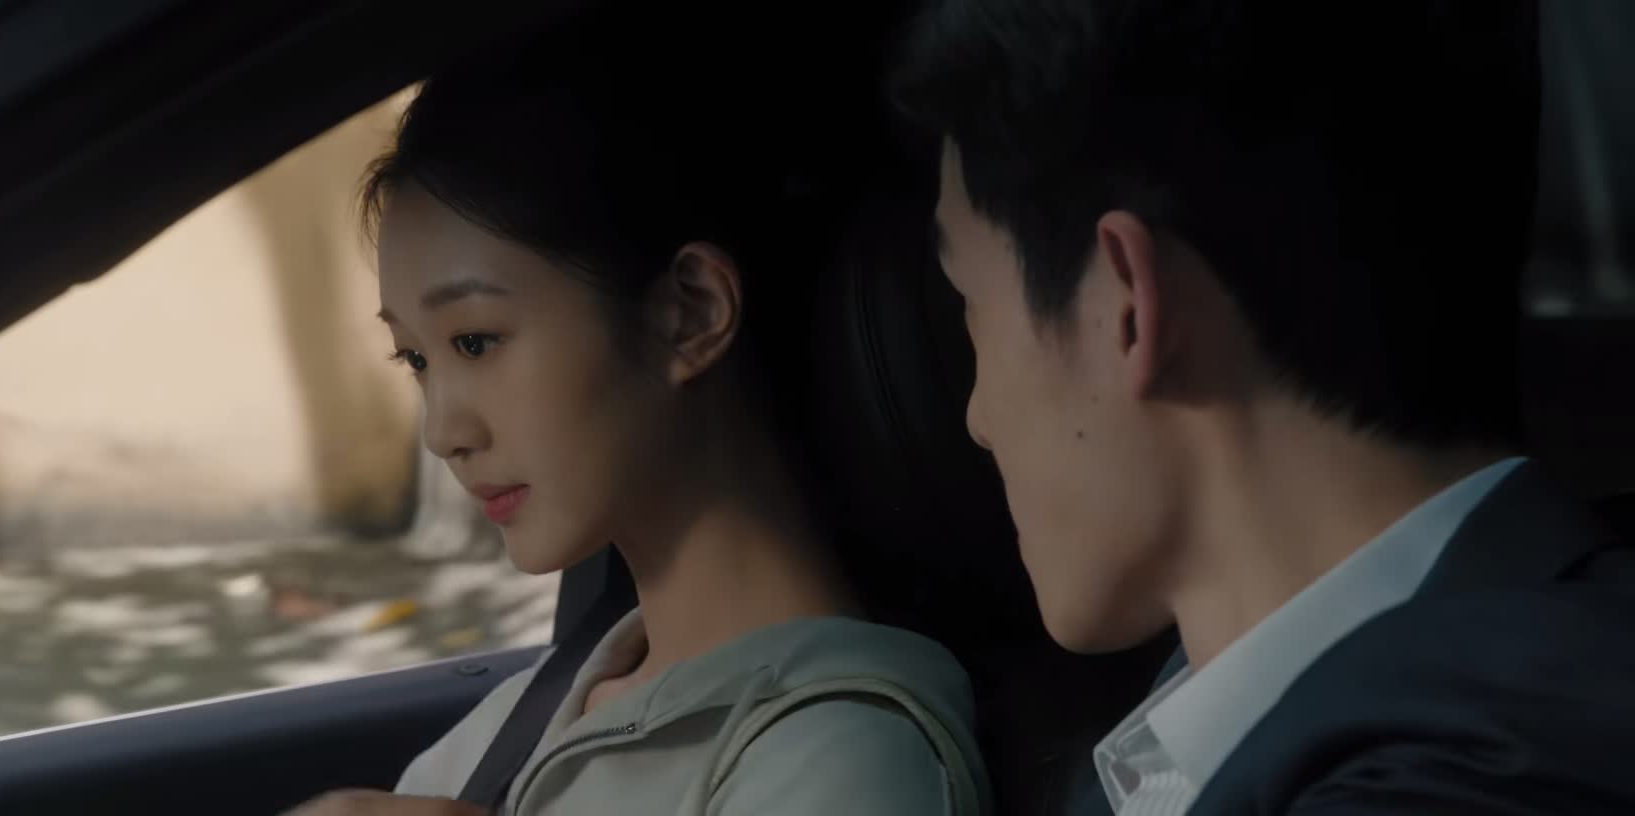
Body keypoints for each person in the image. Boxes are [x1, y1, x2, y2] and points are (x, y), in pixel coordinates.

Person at [892, 0, 1635, 814]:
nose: (978, 419)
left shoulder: (1475, 767)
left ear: (1124, 305)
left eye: (971, 305)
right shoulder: (1507, 695)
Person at [284, 8, 991, 816]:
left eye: (476, 342)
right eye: (415, 359)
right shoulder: (522, 719)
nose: (444, 432)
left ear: (690, 313)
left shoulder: (845, 759)